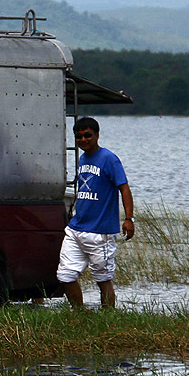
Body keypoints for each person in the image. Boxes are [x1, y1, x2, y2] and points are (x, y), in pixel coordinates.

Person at [57, 117, 134, 308]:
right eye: (79, 137)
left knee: (103, 279)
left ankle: (108, 318)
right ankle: (80, 314)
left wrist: (129, 218)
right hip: (76, 228)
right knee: (65, 276)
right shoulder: (82, 159)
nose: (83, 140)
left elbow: (124, 188)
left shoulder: (109, 159)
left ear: (97, 135)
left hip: (100, 232)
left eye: (87, 135)